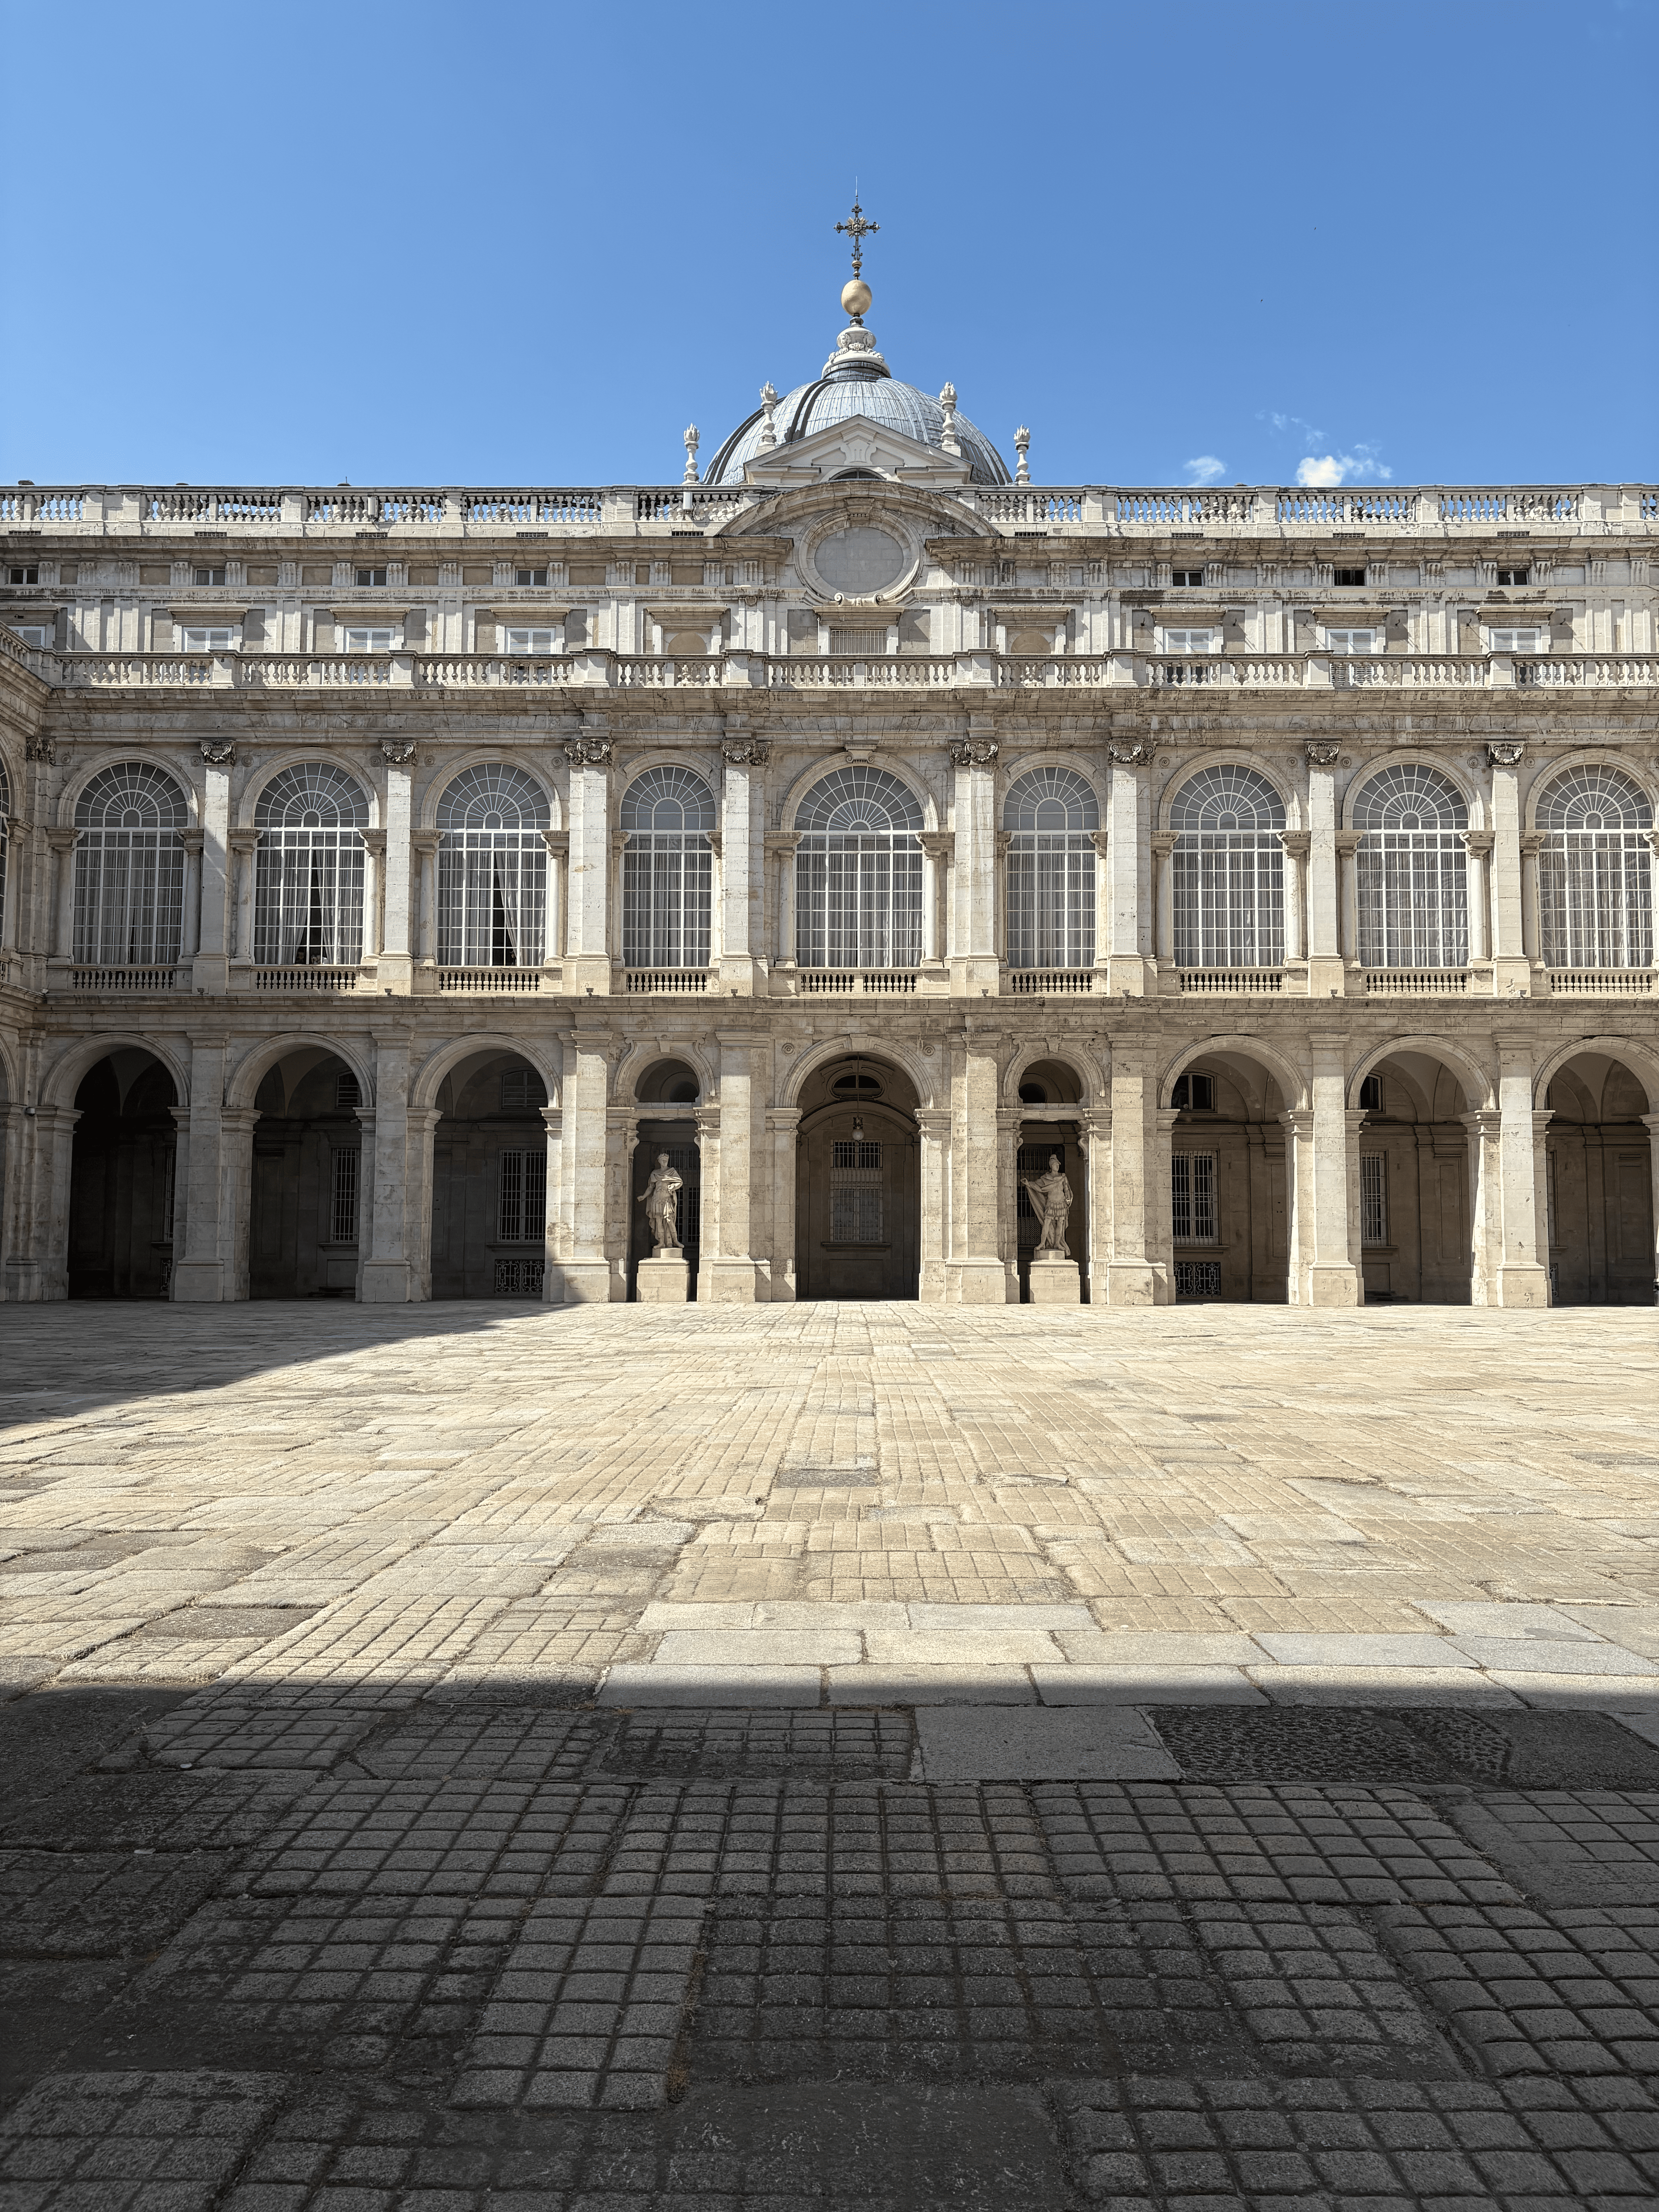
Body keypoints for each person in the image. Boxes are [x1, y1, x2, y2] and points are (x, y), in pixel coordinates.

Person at [1020, 1152, 1072, 1256]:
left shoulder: (1063, 1178)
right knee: (1047, 1223)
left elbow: (1067, 1190)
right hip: (1051, 1202)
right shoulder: (1046, 1178)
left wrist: (1068, 1199)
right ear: (1052, 1166)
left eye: (1058, 1165)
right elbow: (1038, 1186)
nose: (1057, 1167)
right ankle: (1043, 1244)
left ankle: (1057, 1244)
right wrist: (1028, 1184)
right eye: (1056, 1165)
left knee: (1060, 1224)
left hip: (1061, 1203)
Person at [641, 1152, 684, 1252]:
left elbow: (679, 1182)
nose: (664, 1162)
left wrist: (672, 1187)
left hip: (667, 1199)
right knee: (659, 1221)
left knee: (670, 1220)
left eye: (666, 1160)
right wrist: (644, 1196)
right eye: (663, 1160)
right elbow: (651, 1187)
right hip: (657, 1200)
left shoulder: (671, 1172)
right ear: (659, 1161)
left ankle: (675, 1241)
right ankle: (661, 1242)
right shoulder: (655, 1174)